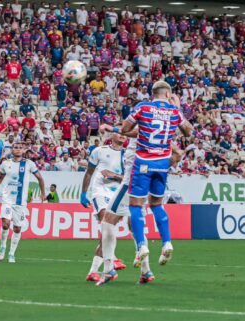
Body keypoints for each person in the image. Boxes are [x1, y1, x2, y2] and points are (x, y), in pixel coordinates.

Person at [115, 80, 192, 284]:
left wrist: (141, 128)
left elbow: (124, 128)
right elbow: (188, 131)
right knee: (157, 204)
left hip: (144, 162)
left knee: (136, 205)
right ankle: (166, 243)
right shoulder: (174, 111)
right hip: (163, 164)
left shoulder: (143, 107)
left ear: (153, 93)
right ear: (167, 94)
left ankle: (142, 246)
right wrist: (176, 109)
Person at [80, 132, 128, 283]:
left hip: (117, 194)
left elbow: (129, 178)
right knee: (105, 221)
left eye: (124, 134)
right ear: (111, 136)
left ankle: (93, 272)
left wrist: (114, 176)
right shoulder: (99, 151)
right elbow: (89, 173)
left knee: (107, 232)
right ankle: (112, 259)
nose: (122, 135)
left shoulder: (128, 155)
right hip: (99, 191)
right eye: (118, 133)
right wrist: (83, 193)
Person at [0, 142, 46, 263]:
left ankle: (11, 253)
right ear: (12, 150)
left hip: (21, 202)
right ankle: (2, 247)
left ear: (24, 150)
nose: (17, 150)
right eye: (15, 147)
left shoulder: (29, 164)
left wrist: (43, 193)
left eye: (20, 148)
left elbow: (40, 178)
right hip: (7, 199)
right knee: (6, 224)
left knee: (17, 228)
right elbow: (0, 177)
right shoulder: (5, 163)